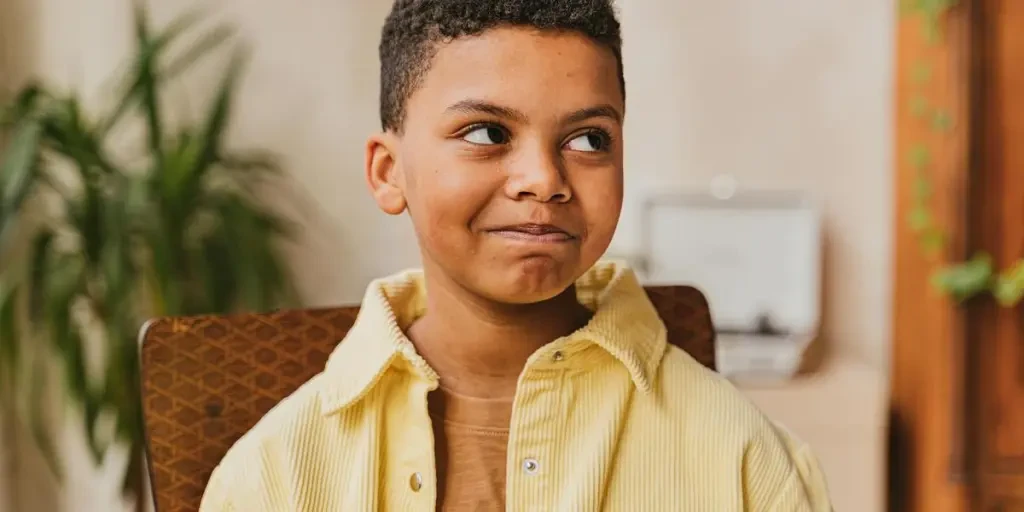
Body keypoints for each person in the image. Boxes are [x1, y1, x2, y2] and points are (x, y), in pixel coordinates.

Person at [200, 0, 833, 510]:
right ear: (389, 172)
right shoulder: (275, 477)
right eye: (486, 133)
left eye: (588, 139)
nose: (543, 178)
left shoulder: (745, 462)